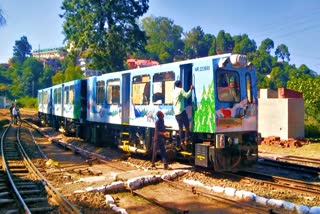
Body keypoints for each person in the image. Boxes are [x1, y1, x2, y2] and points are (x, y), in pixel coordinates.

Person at [173, 80, 193, 150]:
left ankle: (181, 142)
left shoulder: (174, 91)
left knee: (180, 127)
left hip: (176, 113)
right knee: (187, 126)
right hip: (181, 111)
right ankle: (186, 140)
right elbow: (187, 96)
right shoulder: (180, 90)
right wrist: (191, 89)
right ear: (180, 84)